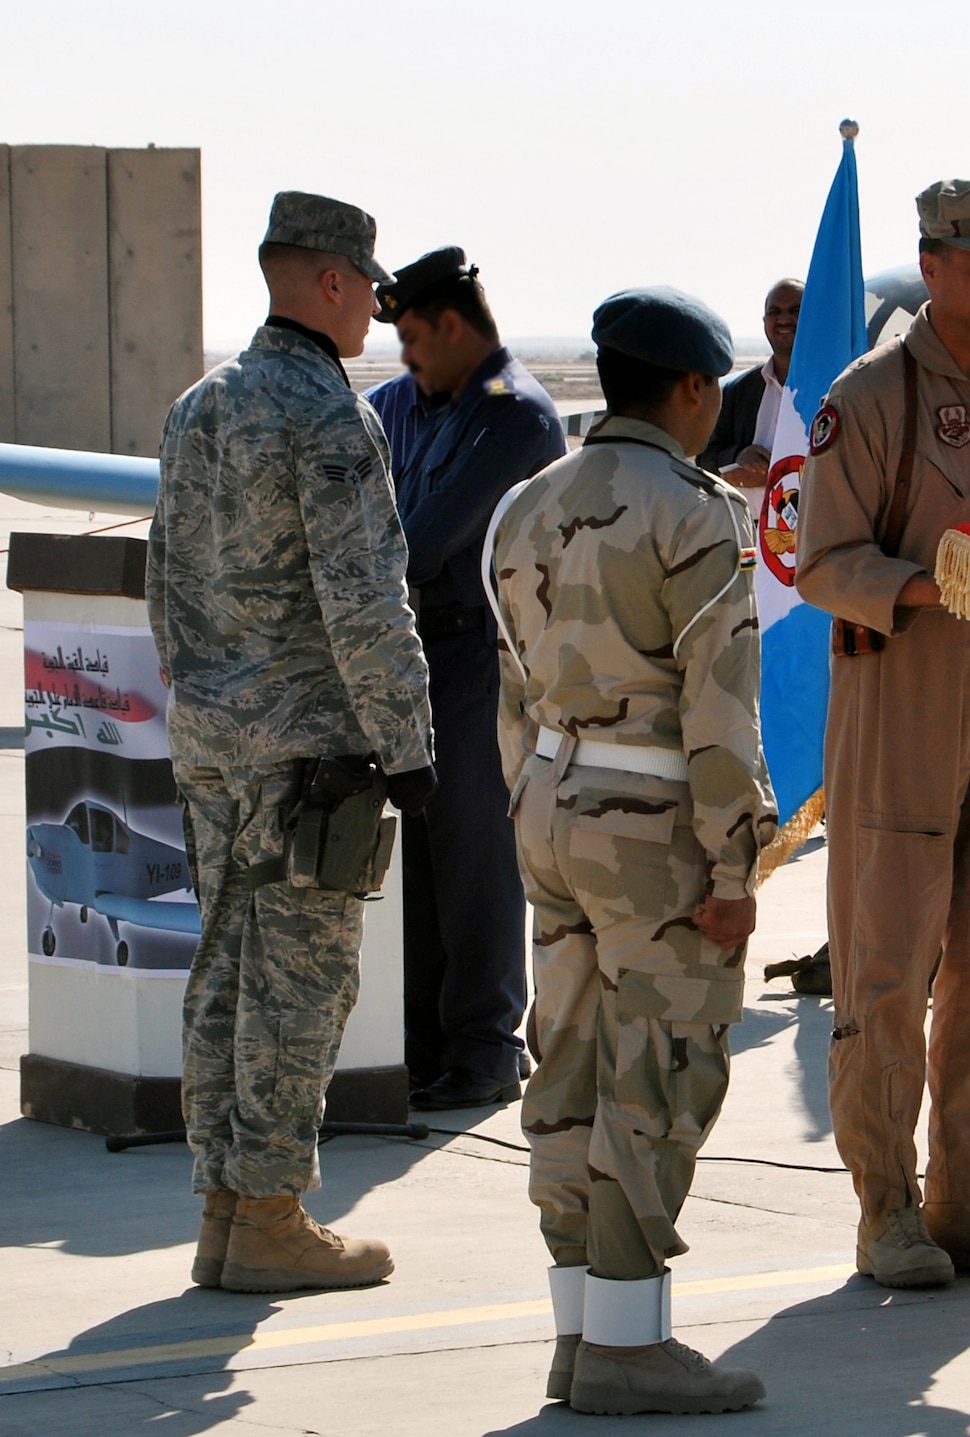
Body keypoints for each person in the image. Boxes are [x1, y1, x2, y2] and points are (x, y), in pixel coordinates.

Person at [487, 285, 775, 1414]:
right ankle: (628, 1347)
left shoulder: (525, 504)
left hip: (548, 807)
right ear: (695, 391)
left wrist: (534, 806)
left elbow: (510, 684)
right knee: (657, 1072)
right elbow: (718, 712)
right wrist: (735, 866)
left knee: (565, 1065)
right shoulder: (695, 511)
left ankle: (580, 1335)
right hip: (654, 828)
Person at [148, 191, 437, 1294]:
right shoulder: (324, 411)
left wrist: (208, 702)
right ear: (327, 282)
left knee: (221, 974)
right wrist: (406, 743)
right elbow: (365, 595)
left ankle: (225, 1207)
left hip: (216, 741)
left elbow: (164, 584)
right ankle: (271, 1213)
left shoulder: (200, 405)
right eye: (367, 284)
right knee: (299, 985)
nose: (374, 304)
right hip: (310, 754)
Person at [794, 178, 970, 1290]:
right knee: (885, 962)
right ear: (929, 265)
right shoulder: (867, 399)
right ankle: (885, 1209)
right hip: (899, 699)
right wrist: (929, 585)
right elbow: (819, 560)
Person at [363, 249, 566, 1111]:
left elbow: (418, 536)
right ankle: (424, 1045)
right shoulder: (406, 405)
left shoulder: (510, 413)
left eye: (413, 339)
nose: (405, 359)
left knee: (477, 856)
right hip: (417, 656)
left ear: (453, 327)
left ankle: (485, 1044)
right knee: (420, 866)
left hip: (479, 659)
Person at [696, 277, 803, 490]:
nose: (784, 319)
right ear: (765, 322)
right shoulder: (738, 391)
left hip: (815, 522)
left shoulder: (835, 389)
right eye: (775, 312)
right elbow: (705, 456)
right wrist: (738, 455)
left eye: (795, 311)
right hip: (748, 521)